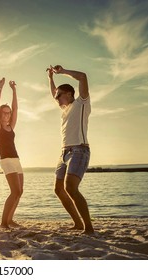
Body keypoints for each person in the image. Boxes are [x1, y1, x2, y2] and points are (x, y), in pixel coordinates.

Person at [46, 64, 94, 234]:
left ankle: (88, 227)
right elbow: (53, 92)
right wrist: (51, 78)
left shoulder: (81, 103)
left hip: (79, 151)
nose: (56, 98)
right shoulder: (64, 109)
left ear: (69, 94)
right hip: (64, 153)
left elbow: (83, 76)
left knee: (71, 188)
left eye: (59, 95)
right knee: (58, 189)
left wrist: (63, 72)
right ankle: (78, 223)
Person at [0, 78, 23, 229]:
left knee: (20, 192)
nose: (7, 115)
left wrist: (14, 90)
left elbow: (16, 109)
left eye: (8, 113)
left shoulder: (11, 126)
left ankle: (10, 219)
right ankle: (3, 223)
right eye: (4, 113)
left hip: (16, 159)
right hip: (6, 160)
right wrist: (0, 88)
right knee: (14, 191)